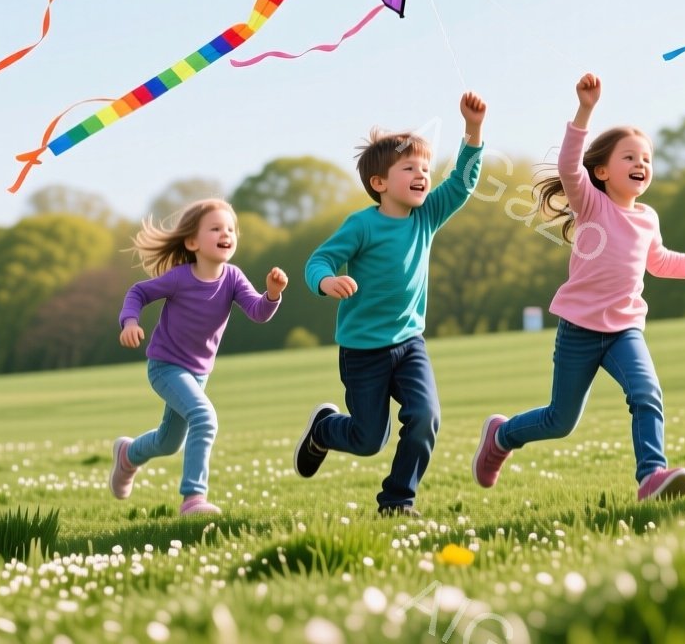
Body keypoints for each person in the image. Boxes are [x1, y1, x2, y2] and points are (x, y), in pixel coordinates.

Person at [473, 74, 685, 502]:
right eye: (629, 157)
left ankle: (651, 476)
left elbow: (659, 261)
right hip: (579, 329)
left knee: (646, 393)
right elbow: (568, 167)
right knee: (560, 421)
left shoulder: (647, 218)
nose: (641, 164)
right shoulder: (592, 204)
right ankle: (501, 436)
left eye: (646, 158)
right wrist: (585, 109)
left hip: (625, 329)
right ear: (603, 171)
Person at [293, 92, 488, 517]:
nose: (422, 175)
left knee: (425, 416)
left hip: (409, 344)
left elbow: (462, 183)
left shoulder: (427, 216)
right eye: (409, 168)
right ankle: (324, 430)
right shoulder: (362, 225)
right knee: (368, 441)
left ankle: (398, 501)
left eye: (425, 169)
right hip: (363, 351)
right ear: (379, 183)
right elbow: (318, 260)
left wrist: (473, 129)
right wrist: (326, 281)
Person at [110, 199, 285, 516]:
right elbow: (138, 292)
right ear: (192, 242)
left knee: (168, 443)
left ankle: (128, 454)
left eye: (230, 228)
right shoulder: (180, 278)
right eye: (216, 228)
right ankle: (193, 498)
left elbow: (258, 312)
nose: (226, 233)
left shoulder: (233, 277)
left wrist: (272, 294)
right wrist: (130, 322)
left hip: (198, 374)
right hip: (165, 367)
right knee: (204, 418)